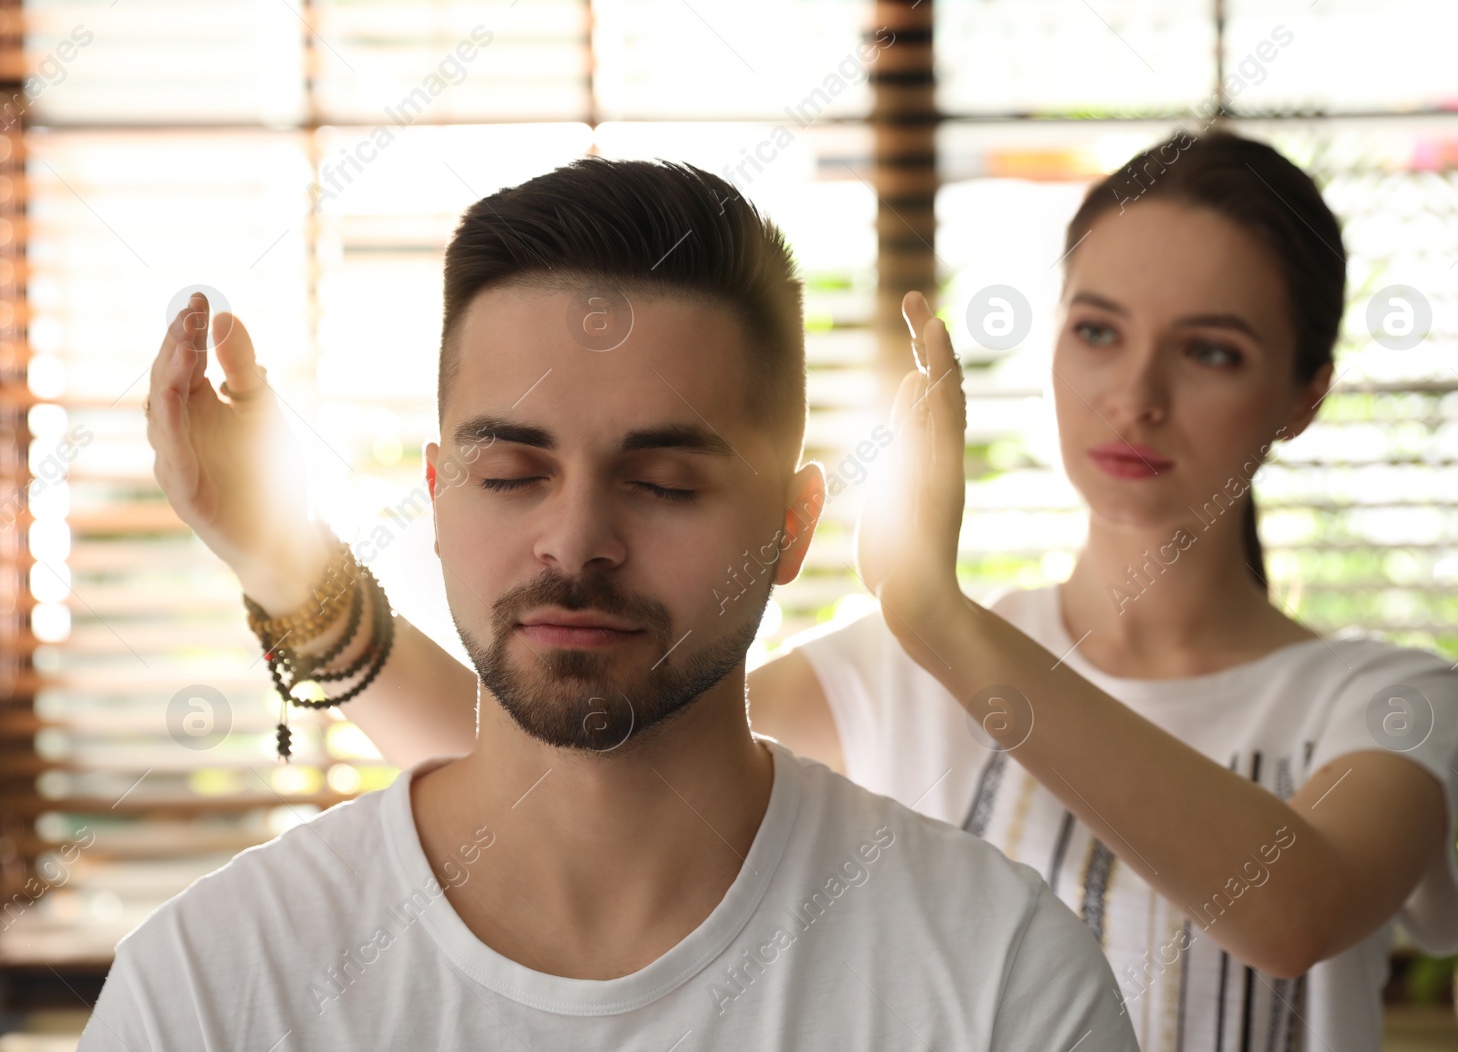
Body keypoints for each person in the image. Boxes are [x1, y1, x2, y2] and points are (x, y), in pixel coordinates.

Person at [216, 130, 1458, 1052]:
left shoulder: (1387, 696)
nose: (1135, 393)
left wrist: (933, 610)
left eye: (1209, 349)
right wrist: (288, 570)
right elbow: (563, 762)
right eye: (1096, 329)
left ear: (1307, 392)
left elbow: (1290, 903)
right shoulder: (899, 669)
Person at [89, 158, 1139, 1051]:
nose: (576, 539)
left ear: (792, 526)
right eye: (509, 473)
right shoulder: (209, 990)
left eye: (665, 483)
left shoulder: (996, 980)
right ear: (439, 500)